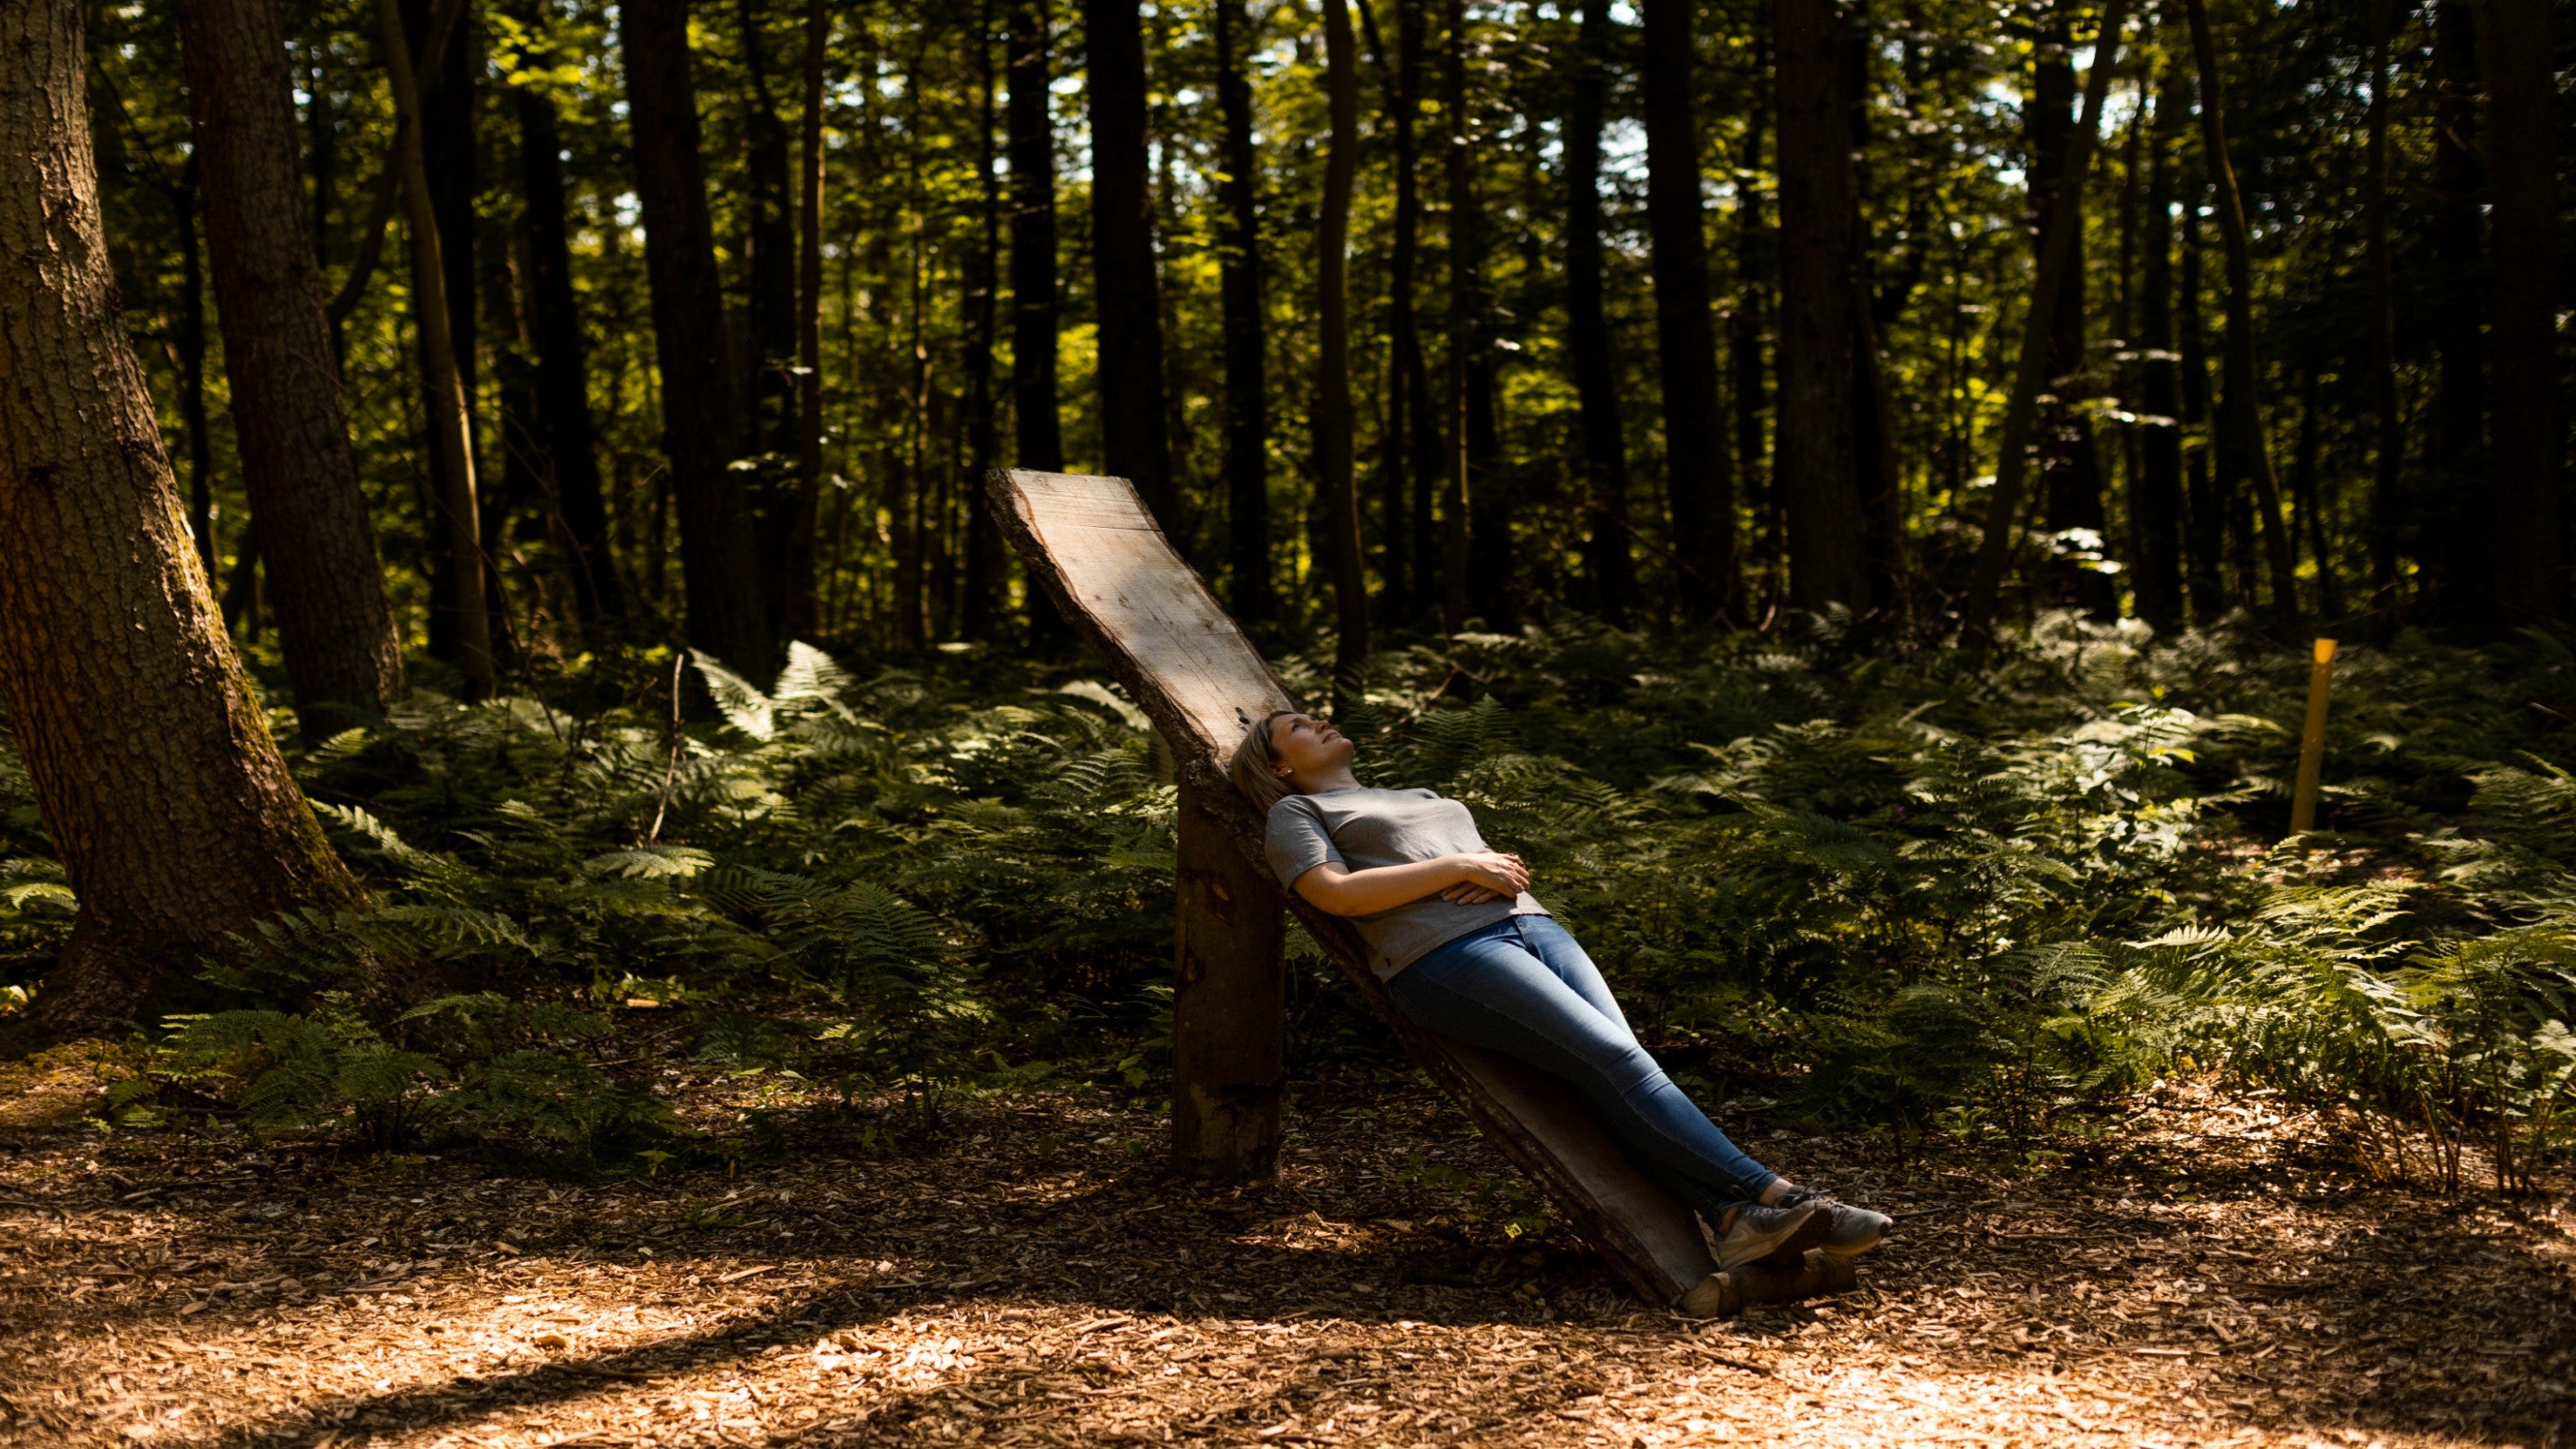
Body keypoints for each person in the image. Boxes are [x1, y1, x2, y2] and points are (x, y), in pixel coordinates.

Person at [1229, 708, 1890, 1272]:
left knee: (1620, 1071)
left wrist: (1498, 871)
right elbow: (1333, 894)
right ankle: (1778, 1195)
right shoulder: (1298, 810)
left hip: (1534, 927)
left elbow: (1490, 868)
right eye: (1298, 726)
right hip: (1448, 955)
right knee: (1619, 1062)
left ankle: (1731, 1220)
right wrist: (1458, 866)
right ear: (1280, 766)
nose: (1319, 720)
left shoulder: (1420, 795)